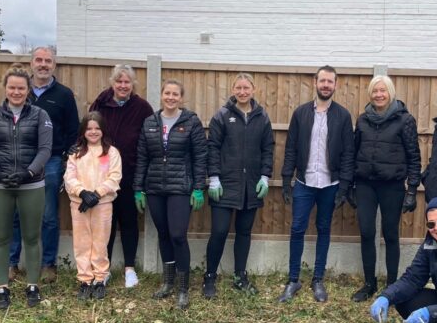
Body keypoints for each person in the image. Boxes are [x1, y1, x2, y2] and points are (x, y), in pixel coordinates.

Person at [277, 65, 355, 303]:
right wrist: (286, 180)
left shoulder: (342, 116)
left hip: (330, 184)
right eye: (322, 81)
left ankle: (318, 279)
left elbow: (348, 154)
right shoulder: (301, 113)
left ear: (335, 85)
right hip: (304, 181)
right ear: (315, 82)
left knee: (324, 229)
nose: (326, 85)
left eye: (330, 82)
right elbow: (290, 148)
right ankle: (293, 280)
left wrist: (344, 187)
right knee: (297, 229)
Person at [0, 64, 53, 309]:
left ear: (28, 89)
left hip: (31, 185)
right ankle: (2, 288)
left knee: (32, 237)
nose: (16, 92)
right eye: (12, 87)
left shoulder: (40, 116)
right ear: (5, 89)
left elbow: (45, 149)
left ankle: (33, 285)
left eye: (21, 88)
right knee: (1, 238)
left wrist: (28, 172)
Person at [133, 79, 207, 309]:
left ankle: (183, 288)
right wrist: (138, 189)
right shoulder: (150, 122)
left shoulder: (191, 121)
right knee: (164, 234)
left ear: (181, 97)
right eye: (167, 93)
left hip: (180, 188)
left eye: (176, 94)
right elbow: (142, 156)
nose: (171, 97)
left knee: (177, 235)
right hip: (155, 187)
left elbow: (200, 156)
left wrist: (198, 187)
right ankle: (168, 282)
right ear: (162, 95)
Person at [9, 47, 79, 284]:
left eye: (48, 61)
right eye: (39, 60)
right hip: (21, 160)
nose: (43, 64)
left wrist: (65, 159)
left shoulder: (64, 95)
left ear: (54, 65)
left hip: (51, 162)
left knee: (49, 215)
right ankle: (11, 263)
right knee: (17, 213)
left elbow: (73, 132)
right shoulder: (20, 91)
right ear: (31, 63)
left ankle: (48, 264)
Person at [203, 73, 274, 298]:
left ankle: (239, 277)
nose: (242, 92)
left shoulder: (262, 117)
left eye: (246, 88)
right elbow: (212, 147)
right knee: (220, 231)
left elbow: (268, 149)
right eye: (238, 88)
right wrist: (213, 177)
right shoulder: (222, 116)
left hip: (250, 186)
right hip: (224, 185)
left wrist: (265, 176)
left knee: (244, 232)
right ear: (233, 90)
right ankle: (210, 277)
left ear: (253, 89)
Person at [351, 75, 421, 302]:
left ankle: (392, 286)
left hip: (392, 186)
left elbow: (414, 157)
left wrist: (412, 190)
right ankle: (369, 283)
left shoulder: (405, 120)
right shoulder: (362, 120)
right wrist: (351, 184)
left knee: (390, 234)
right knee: (366, 233)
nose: (379, 95)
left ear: (390, 93)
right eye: (375, 91)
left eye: (383, 91)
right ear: (370, 94)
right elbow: (353, 153)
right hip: (365, 185)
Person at [90, 64, 154, 288]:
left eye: (127, 82)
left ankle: (129, 269)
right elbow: (90, 132)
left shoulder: (142, 108)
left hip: (129, 175)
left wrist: (142, 179)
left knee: (128, 222)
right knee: (104, 224)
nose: (123, 85)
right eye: (119, 81)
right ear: (112, 82)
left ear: (133, 84)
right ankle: (102, 269)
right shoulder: (101, 103)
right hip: (102, 176)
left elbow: (149, 142)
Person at [64, 111, 122, 301]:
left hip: (102, 205)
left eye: (97, 128)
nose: (93, 132)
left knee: (100, 242)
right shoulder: (76, 153)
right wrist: (82, 193)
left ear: (103, 130)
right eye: (89, 128)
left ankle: (100, 278)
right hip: (79, 205)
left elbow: (115, 177)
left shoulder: (111, 152)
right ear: (83, 131)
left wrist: (96, 194)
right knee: (82, 242)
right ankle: (85, 280)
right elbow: (69, 177)